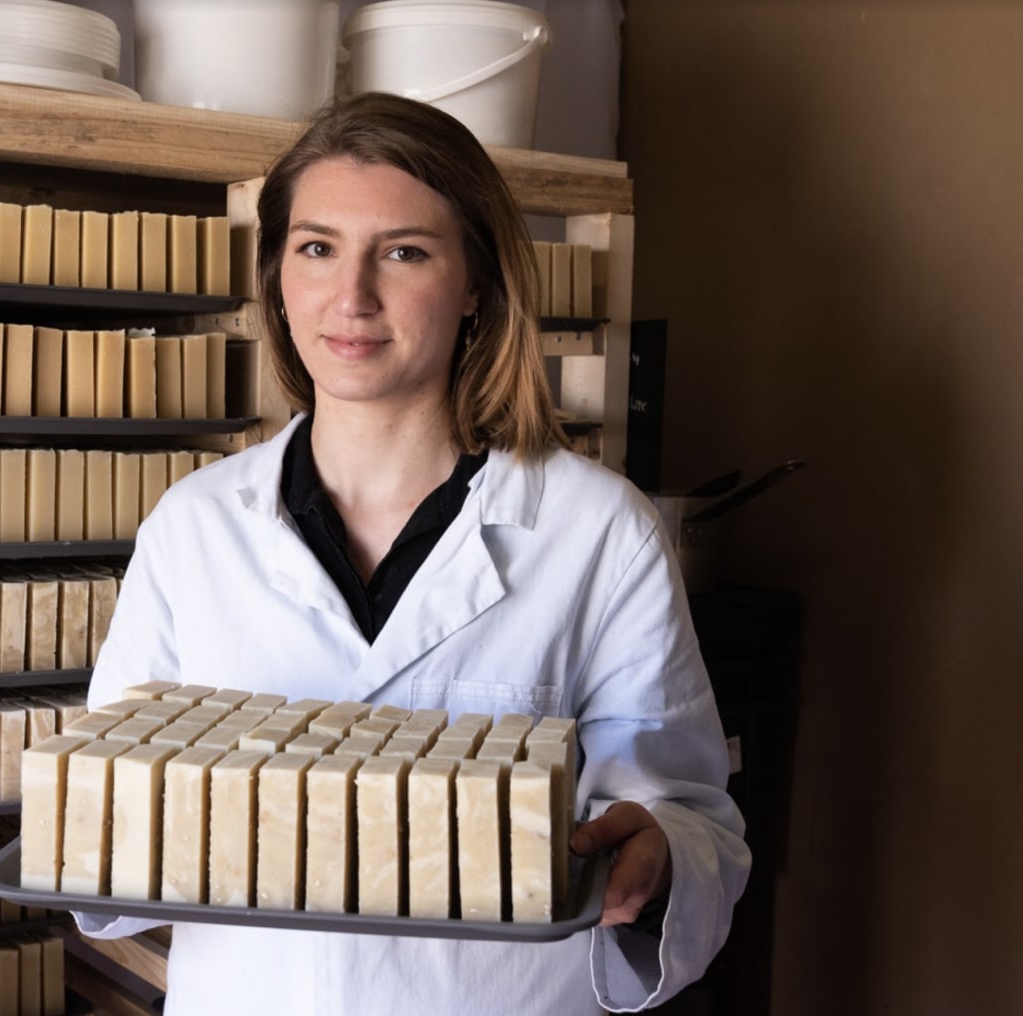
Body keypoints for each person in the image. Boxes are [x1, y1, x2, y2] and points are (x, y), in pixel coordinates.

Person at [78, 91, 749, 1015]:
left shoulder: (598, 533)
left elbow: (692, 816)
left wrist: (660, 853)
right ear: (277, 272)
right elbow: (106, 818)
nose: (351, 296)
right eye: (317, 247)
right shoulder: (193, 529)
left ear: (476, 282)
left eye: (404, 251)